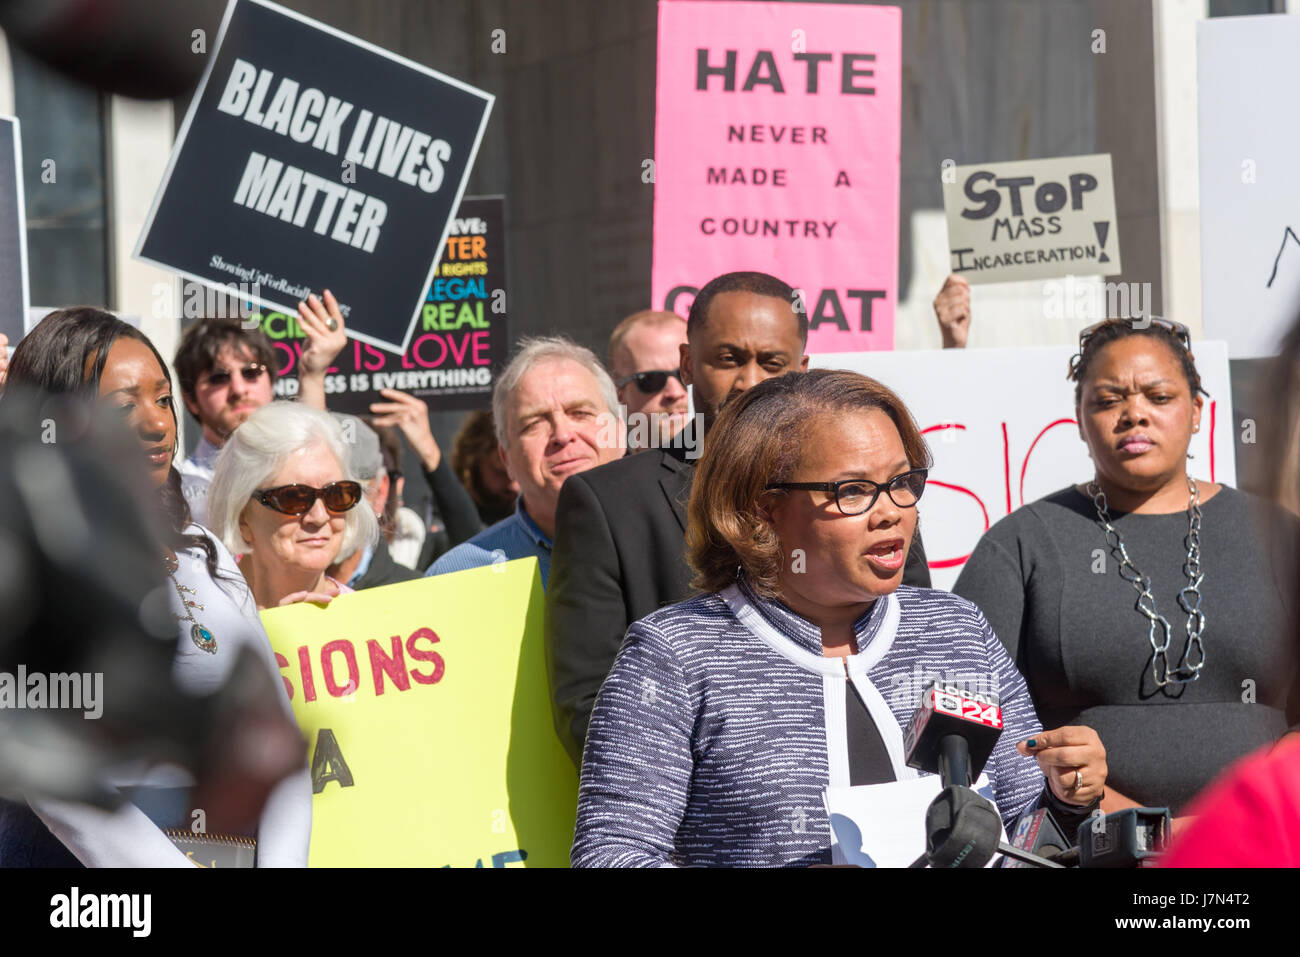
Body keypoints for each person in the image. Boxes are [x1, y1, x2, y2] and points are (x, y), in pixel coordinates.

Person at [571, 369, 1106, 867]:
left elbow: (1024, 844)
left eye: (902, 481)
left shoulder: (956, 629)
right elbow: (612, 855)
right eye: (852, 490)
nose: (890, 511)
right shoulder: (674, 654)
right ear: (763, 507)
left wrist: (1067, 801)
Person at [547, 271, 931, 767]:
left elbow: (918, 649)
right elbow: (588, 705)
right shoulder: (609, 502)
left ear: (803, 369)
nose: (749, 382)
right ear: (686, 362)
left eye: (772, 363)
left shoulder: (873, 493)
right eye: (728, 359)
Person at [0, 307, 312, 867]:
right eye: (124, 406)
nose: (157, 423)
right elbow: (64, 787)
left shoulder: (203, 548)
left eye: (164, 399)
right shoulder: (29, 564)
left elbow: (272, 733)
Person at [953, 317, 1298, 817]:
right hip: (1084, 845)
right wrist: (1121, 820)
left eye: (1158, 397)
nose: (1134, 414)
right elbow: (969, 718)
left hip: (1266, 835)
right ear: (1079, 416)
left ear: (1198, 411)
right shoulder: (1021, 544)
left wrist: (1247, 815)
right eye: (1109, 399)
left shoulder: (1278, 534)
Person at [425, 337, 624, 585]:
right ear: (505, 458)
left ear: (620, 432)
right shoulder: (457, 578)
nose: (562, 435)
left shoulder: (679, 545)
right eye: (534, 424)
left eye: (580, 413)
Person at [174, 291, 347, 523]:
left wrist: (313, 374)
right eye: (218, 377)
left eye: (251, 372)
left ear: (272, 381)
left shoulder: (295, 464)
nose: (238, 388)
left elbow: (310, 450)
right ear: (190, 399)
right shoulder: (176, 495)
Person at [206, 402, 379, 610]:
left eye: (336, 494)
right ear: (242, 515)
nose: (319, 516)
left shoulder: (369, 623)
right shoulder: (200, 618)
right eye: (293, 498)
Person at [326, 415, 420, 590]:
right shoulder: (263, 594)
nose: (319, 514)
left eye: (344, 494)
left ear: (380, 493)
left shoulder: (416, 593)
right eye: (302, 494)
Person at [607, 309, 690, 449]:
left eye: (688, 372)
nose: (675, 393)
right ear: (618, 393)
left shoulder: (737, 468)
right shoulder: (607, 470)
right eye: (651, 380)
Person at [451, 409, 518, 526]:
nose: (514, 486)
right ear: (474, 462)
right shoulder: (445, 512)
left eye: (521, 474)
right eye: (502, 473)